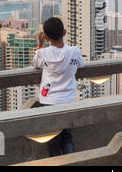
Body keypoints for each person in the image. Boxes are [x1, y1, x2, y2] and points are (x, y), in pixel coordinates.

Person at [32, 17, 85, 157]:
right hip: (67, 100)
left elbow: (35, 64)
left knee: (53, 141)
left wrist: (40, 44)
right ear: (64, 32)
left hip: (49, 101)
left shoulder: (42, 53)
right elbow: (81, 64)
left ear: (47, 37)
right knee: (67, 137)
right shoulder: (74, 51)